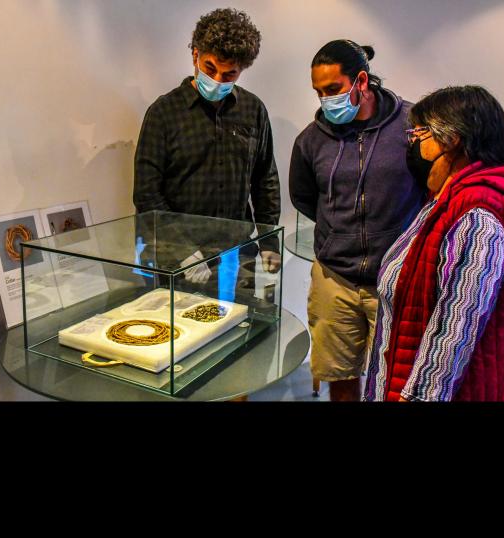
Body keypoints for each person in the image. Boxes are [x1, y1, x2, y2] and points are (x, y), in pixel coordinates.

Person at [363, 86, 504, 402]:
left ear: (452, 139)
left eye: (419, 135)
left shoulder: (478, 219)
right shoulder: (447, 200)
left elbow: (450, 340)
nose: (413, 145)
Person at [289, 40, 425, 402]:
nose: (325, 100)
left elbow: (432, 191)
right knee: (340, 377)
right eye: (319, 92)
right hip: (335, 280)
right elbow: (303, 196)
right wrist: (339, 232)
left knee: (397, 382)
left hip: (396, 280)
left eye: (333, 90)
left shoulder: (412, 127)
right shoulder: (310, 140)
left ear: (361, 81)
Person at [132, 7, 281, 301]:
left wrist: (269, 241)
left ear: (242, 70)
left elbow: (266, 180)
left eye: (230, 74)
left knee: (243, 332)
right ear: (195, 55)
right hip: (180, 260)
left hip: (238, 253)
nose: (217, 80)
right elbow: (146, 193)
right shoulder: (164, 113)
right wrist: (182, 250)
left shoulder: (253, 110)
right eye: (210, 68)